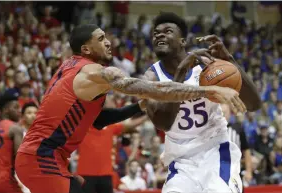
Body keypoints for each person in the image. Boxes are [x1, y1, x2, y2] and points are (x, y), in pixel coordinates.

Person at [15, 24, 245, 193]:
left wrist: (137, 107)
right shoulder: (94, 72)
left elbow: (98, 119)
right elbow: (150, 88)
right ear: (86, 48)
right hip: (42, 156)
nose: (108, 42)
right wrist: (208, 91)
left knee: (78, 187)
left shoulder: (69, 67)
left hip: (43, 156)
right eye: (101, 38)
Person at [142, 12, 261, 193]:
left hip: (216, 152)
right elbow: (163, 123)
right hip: (181, 161)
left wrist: (229, 60)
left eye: (167, 31)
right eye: (156, 33)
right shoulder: (152, 77)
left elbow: (254, 104)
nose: (159, 35)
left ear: (182, 41)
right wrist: (181, 72)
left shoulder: (205, 65)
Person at [76, 97, 147, 193]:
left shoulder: (111, 127)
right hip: (85, 174)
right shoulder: (82, 124)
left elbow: (130, 125)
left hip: (105, 174)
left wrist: (148, 116)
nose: (113, 105)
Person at [0, 92, 24, 193]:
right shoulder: (15, 128)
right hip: (4, 180)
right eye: (16, 107)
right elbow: (20, 161)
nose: (19, 111)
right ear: (6, 110)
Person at [221, 104, 253, 187]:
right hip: (217, 172)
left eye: (225, 113)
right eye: (221, 113)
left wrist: (248, 170)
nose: (223, 116)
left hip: (235, 172)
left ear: (229, 113)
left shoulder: (237, 128)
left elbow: (246, 150)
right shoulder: (211, 130)